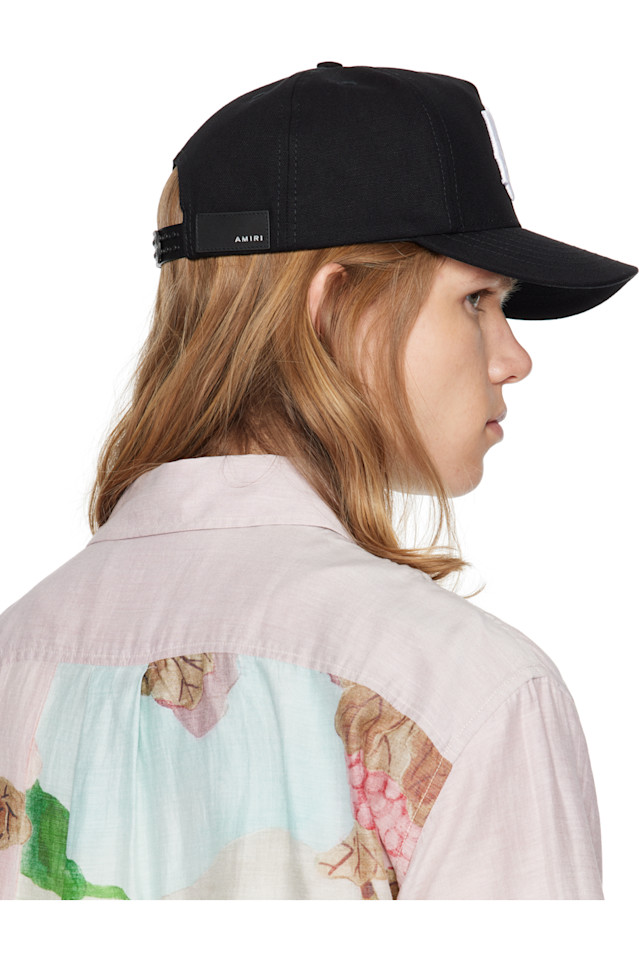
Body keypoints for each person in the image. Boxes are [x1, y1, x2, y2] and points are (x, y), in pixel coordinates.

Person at [0, 63, 635, 901]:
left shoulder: (15, 656)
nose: (513, 358)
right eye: (476, 299)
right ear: (335, 308)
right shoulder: (466, 690)